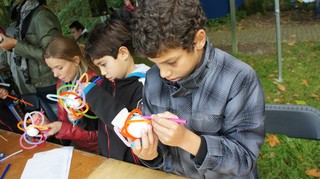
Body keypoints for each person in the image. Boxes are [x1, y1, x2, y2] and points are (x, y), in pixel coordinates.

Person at [130, 0, 265, 178]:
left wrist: (187, 140)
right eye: (155, 63)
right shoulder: (153, 79)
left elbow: (244, 159)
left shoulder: (238, 78)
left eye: (171, 62)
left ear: (198, 40)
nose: (163, 73)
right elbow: (161, 155)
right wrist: (151, 155)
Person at [83, 15, 149, 164]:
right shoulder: (105, 83)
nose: (102, 72)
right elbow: (96, 124)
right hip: (110, 163)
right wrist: (80, 115)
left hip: (136, 168)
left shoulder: (145, 85)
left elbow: (135, 128)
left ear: (123, 53)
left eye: (104, 64)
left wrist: (96, 97)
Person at [0, 0, 61, 120]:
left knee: (66, 124)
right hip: (36, 85)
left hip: (50, 82)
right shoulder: (24, 16)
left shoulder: (41, 15)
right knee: (53, 125)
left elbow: (54, 54)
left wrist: (16, 45)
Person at [42, 35, 99, 153]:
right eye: (52, 69)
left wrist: (61, 128)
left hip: (99, 150)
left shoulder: (94, 84)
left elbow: (99, 131)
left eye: (59, 68)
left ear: (76, 60)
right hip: (78, 148)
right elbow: (66, 122)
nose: (55, 74)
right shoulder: (62, 84)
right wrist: (48, 124)